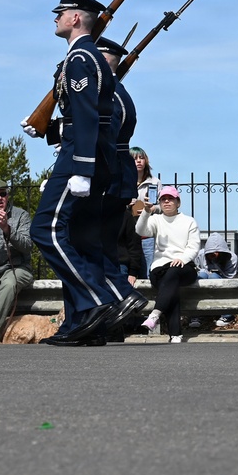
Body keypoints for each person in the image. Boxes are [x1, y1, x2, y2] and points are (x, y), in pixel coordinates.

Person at [27, 0, 123, 346]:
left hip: (78, 158)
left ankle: (97, 301)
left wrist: (81, 168)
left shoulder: (82, 58)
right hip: (81, 152)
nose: (56, 18)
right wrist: (50, 128)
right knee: (74, 239)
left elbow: (85, 115)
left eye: (60, 13)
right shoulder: (82, 57)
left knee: (46, 230)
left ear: (75, 18)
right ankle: (84, 323)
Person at [95, 37, 149, 329]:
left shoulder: (110, 92)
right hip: (119, 174)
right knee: (102, 246)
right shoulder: (120, 90)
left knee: (91, 244)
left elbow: (106, 133)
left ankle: (122, 296)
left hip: (108, 174)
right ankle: (113, 308)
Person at [135, 186, 201, 342]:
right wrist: (146, 212)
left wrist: (183, 259)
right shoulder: (156, 219)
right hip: (160, 268)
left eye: (170, 199)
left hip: (184, 267)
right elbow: (140, 231)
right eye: (163, 199)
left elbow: (194, 247)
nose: (166, 202)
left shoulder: (188, 221)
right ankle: (175, 334)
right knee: (171, 283)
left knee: (173, 273)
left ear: (178, 202)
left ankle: (155, 315)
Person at [0, 178, 34, 342]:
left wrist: (7, 229)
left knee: (9, 283)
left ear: (7, 196)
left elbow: (27, 245)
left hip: (17, 268)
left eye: (2, 194)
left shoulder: (21, 215)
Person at [191, 233, 238, 328]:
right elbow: (197, 270)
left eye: (215, 253)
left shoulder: (232, 258)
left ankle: (226, 315)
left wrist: (216, 268)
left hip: (222, 284)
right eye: (210, 254)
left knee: (213, 277)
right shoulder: (201, 255)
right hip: (204, 281)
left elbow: (229, 278)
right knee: (202, 276)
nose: (212, 256)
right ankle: (196, 315)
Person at [130, 146, 160, 273]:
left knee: (148, 270)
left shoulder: (154, 182)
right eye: (134, 158)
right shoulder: (123, 182)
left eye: (141, 158)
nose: (138, 161)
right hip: (129, 234)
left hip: (147, 234)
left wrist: (151, 209)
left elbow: (162, 206)